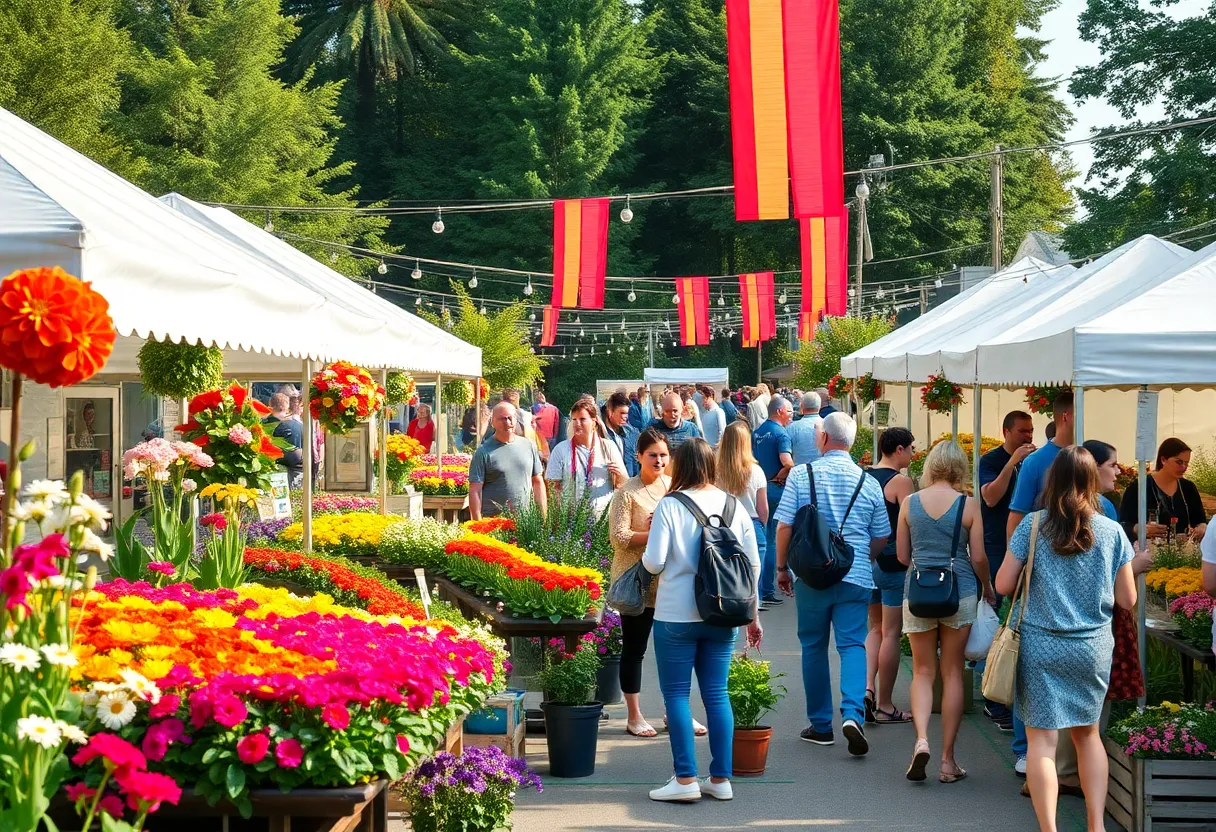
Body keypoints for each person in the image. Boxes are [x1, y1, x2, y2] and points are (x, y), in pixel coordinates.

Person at [996, 446, 1136, 832]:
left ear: (1052, 479)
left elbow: (1004, 583)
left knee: (1041, 742)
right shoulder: (1112, 531)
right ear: (1093, 481)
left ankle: (1050, 828)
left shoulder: (1034, 526)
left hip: (1041, 645)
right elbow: (1128, 599)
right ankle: (1095, 826)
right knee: (1088, 736)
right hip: (1091, 648)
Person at [642, 439, 762, 803]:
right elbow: (753, 564)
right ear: (711, 465)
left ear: (680, 466)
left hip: (676, 614)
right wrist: (752, 616)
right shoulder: (733, 505)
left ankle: (685, 779)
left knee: (677, 695)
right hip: (723, 612)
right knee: (716, 693)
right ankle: (721, 778)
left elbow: (654, 562)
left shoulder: (670, 505)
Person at [775, 412, 889, 756]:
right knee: (853, 645)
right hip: (854, 576)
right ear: (851, 442)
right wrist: (858, 559)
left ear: (822, 438)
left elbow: (784, 527)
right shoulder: (868, 482)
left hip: (812, 575)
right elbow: (882, 535)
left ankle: (821, 726)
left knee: (813, 646)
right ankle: (853, 712)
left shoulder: (801, 474)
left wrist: (782, 568)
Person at [897, 441, 994, 783]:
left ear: (931, 466)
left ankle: (921, 739)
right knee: (952, 672)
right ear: (959, 469)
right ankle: (947, 761)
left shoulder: (909, 503)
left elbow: (902, 556)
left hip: (919, 591)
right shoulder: (968, 505)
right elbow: (979, 557)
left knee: (923, 671)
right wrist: (989, 588)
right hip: (960, 591)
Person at [608, 429, 672, 738]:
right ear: (639, 457)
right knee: (635, 649)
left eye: (663, 454)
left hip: (670, 584)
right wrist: (654, 532)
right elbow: (618, 537)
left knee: (673, 653)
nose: (659, 460)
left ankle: (674, 712)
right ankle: (633, 716)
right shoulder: (626, 492)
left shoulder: (673, 486)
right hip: (636, 583)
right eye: (653, 455)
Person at [977, 410, 1036, 732]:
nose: (1028, 436)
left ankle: (1010, 693)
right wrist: (1011, 463)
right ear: (1006, 431)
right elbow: (990, 497)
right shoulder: (991, 460)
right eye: (1022, 431)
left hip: (1028, 546)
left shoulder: (1038, 460)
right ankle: (993, 697)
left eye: (1031, 431)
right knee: (1003, 618)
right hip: (999, 546)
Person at [864, 427, 915, 726]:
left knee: (875, 629)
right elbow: (910, 523)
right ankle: (884, 704)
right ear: (898, 450)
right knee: (892, 633)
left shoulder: (866, 476)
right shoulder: (901, 482)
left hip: (867, 560)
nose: (912, 453)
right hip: (893, 562)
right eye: (910, 448)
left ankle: (867, 688)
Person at [717, 420, 770, 618]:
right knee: (754, 574)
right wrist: (762, 526)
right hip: (752, 523)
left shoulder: (716, 470)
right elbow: (763, 508)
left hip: (723, 526)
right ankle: (753, 607)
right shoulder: (755, 471)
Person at [1007, 391, 1075, 540]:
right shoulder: (1034, 461)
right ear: (1066, 417)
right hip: (1045, 552)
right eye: (1081, 414)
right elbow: (1017, 516)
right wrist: (1014, 560)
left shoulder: (1088, 458)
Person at [1119, 437, 1208, 543]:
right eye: (1179, 462)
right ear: (1163, 460)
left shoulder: (1188, 487)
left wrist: (1202, 527)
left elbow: (1200, 520)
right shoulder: (1139, 487)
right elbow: (1123, 525)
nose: (1184, 467)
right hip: (1149, 553)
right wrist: (1139, 529)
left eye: (1187, 463)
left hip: (1184, 553)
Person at [546, 399, 626, 515]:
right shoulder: (560, 450)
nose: (577, 424)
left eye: (582, 419)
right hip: (570, 522)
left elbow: (624, 484)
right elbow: (553, 487)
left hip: (603, 522)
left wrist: (619, 475)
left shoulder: (608, 447)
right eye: (574, 419)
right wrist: (560, 516)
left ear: (594, 422)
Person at [468, 402, 546, 519]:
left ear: (516, 419)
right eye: (501, 419)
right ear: (493, 422)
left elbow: (537, 482)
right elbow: (475, 490)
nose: (507, 423)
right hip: (493, 522)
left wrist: (543, 517)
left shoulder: (528, 446)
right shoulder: (483, 452)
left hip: (524, 520)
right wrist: (477, 523)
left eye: (510, 418)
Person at [752, 396, 795, 608]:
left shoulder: (757, 432)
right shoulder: (781, 434)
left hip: (759, 487)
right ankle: (767, 589)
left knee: (761, 537)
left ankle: (759, 589)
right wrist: (785, 472)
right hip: (776, 489)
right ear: (779, 412)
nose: (791, 415)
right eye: (789, 411)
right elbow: (787, 461)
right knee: (771, 540)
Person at [263, 393, 304, 486]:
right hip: (298, 467)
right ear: (287, 406)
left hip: (275, 470)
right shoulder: (299, 425)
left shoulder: (265, 424)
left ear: (270, 405)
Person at [649, 392, 703, 461]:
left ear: (682, 409)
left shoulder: (691, 429)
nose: (672, 415)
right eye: (667, 411)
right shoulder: (653, 429)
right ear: (662, 410)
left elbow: (700, 455)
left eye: (675, 411)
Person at [1082, 440, 1124, 522]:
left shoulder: (1058, 502)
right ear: (1094, 467)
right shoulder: (1104, 505)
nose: (1118, 472)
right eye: (1112, 465)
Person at [604, 392, 641, 478]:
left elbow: (637, 463)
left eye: (627, 413)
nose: (625, 417)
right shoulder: (601, 434)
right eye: (622, 413)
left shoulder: (633, 433)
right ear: (610, 412)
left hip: (630, 483)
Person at [786, 392, 823, 466]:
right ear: (820, 406)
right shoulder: (828, 425)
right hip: (823, 471)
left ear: (801, 406)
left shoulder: (791, 428)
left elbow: (786, 454)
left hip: (799, 472)